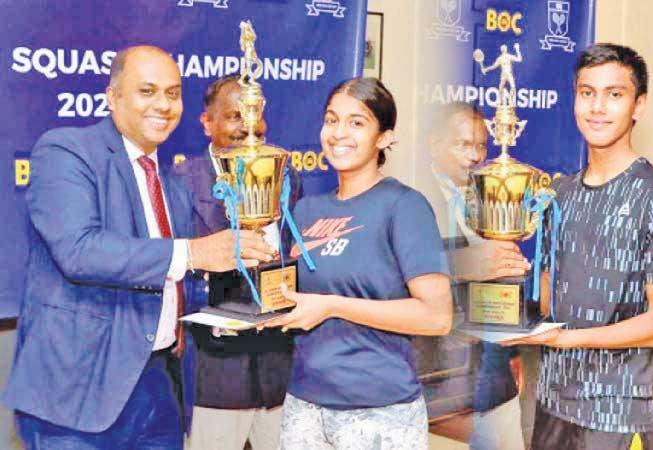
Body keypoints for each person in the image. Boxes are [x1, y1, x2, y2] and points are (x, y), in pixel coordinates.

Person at [2, 45, 272, 449]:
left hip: (160, 385)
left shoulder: (170, 178)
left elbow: (178, 276)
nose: (163, 105)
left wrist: (248, 299)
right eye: (147, 91)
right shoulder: (67, 151)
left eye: (172, 92)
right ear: (113, 98)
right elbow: (80, 251)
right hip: (79, 394)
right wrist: (195, 252)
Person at [502, 43, 653, 450]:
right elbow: (550, 296)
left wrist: (565, 339)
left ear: (638, 106)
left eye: (614, 94)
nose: (597, 107)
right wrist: (504, 299)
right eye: (587, 92)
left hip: (617, 410)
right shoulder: (558, 194)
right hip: (553, 402)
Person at [266, 77, 452, 450]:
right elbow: (291, 297)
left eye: (357, 122)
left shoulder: (404, 206)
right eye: (331, 119)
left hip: (380, 410)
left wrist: (332, 306)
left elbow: (437, 316)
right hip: (305, 405)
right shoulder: (305, 211)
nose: (338, 133)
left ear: (384, 138)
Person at [173, 75, 297, 450]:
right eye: (233, 116)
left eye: (254, 114)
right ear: (207, 123)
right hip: (216, 374)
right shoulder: (180, 182)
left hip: (279, 370)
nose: (247, 125)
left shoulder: (285, 173)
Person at [424, 102, 531, 450]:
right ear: (433, 144)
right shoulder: (411, 196)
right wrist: (467, 264)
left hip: (491, 353)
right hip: (440, 362)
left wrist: (512, 350)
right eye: (462, 144)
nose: (474, 156)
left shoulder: (488, 191)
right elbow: (402, 269)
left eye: (481, 146)